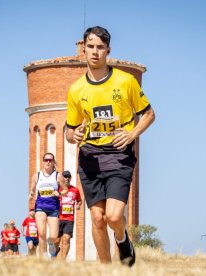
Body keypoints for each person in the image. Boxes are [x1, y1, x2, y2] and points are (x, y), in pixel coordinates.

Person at [65, 26, 155, 266]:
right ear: (83, 49)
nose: (95, 52)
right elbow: (69, 129)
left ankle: (122, 237)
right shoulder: (76, 90)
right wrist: (73, 135)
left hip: (118, 155)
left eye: (100, 47)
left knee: (114, 217)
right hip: (90, 157)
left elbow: (149, 114)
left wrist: (132, 134)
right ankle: (105, 270)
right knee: (97, 219)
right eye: (91, 47)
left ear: (108, 50)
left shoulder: (125, 81)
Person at [28, 152, 68, 258]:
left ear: (53, 162)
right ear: (43, 162)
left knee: (54, 236)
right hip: (40, 206)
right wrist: (31, 194)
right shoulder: (37, 176)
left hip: (53, 208)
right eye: (46, 160)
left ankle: (52, 247)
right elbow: (32, 189)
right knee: (41, 232)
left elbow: (65, 190)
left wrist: (58, 193)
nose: (48, 162)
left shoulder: (58, 176)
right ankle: (44, 255)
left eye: (50, 160)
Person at [54, 170, 82, 259]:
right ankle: (55, 250)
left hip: (69, 219)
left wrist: (78, 205)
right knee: (56, 240)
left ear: (70, 178)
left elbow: (79, 200)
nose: (66, 178)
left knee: (66, 238)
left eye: (68, 176)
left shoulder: (75, 190)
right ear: (62, 178)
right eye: (65, 176)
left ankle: (63, 259)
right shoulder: (58, 189)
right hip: (58, 218)